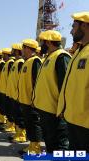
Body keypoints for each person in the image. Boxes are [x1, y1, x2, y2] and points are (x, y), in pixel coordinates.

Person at [32, 30, 71, 153]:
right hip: (46, 110)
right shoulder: (49, 57)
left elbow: (65, 87)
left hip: (56, 112)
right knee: (50, 143)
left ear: (48, 42)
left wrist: (63, 110)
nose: (40, 45)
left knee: (59, 145)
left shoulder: (61, 57)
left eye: (42, 42)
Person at [57, 12, 89, 152]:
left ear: (85, 26)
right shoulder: (78, 53)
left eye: (74, 26)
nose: (70, 31)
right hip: (73, 119)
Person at [18, 39, 42, 154]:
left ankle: (36, 148)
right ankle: (31, 144)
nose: (21, 50)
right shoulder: (27, 61)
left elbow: (37, 81)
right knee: (29, 124)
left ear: (28, 48)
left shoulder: (35, 61)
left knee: (34, 124)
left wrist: (35, 98)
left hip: (32, 101)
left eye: (23, 48)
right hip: (25, 100)